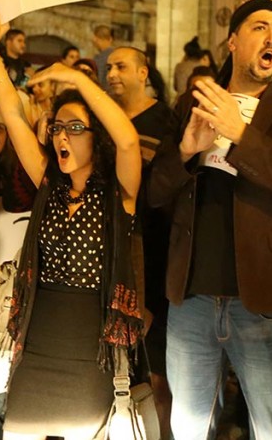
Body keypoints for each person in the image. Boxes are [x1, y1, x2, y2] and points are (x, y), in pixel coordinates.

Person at [150, 0, 272, 439]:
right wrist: (185, 152)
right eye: (259, 28)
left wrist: (240, 135)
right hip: (191, 301)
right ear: (232, 41)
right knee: (189, 427)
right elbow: (156, 193)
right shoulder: (196, 100)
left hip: (268, 304)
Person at [0, 10, 144, 440]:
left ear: (96, 137)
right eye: (57, 128)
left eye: (76, 128)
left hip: (89, 350)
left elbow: (128, 138)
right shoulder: (49, 186)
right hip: (37, 341)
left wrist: (78, 81)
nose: (62, 137)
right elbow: (12, 113)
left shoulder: (117, 195)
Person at [106, 45, 180, 436]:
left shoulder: (166, 121)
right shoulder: (103, 120)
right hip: (112, 252)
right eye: (108, 67)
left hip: (156, 252)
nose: (112, 73)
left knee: (159, 374)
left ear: (142, 71)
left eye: (120, 66)